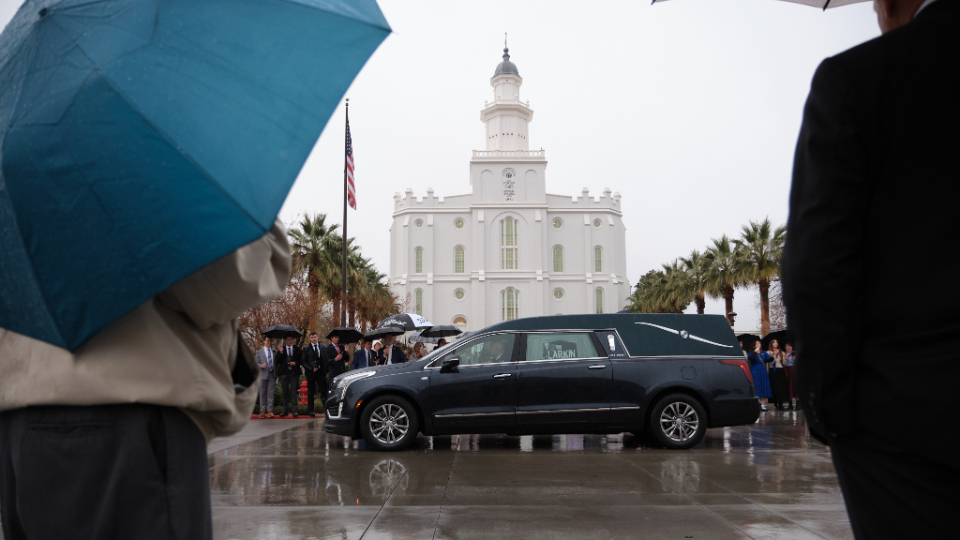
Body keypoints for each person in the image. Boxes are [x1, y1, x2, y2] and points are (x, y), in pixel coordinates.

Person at [782, 1, 960, 537]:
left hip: (907, 425)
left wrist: (830, 410)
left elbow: (820, 264)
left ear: (888, 4)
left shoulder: (860, 78)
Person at [0, 221, 290, 540]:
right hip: (135, 420)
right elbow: (227, 281)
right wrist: (264, 228)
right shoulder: (142, 189)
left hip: (21, 419)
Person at [302, 331, 328, 417]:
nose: (314, 339)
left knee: (323, 391)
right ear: (310, 338)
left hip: (321, 372)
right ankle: (311, 410)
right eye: (312, 337)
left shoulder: (323, 347)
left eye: (315, 337)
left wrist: (326, 370)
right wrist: (310, 368)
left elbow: (326, 359)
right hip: (311, 373)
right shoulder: (306, 348)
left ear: (318, 337)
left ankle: (326, 409)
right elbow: (303, 361)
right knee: (311, 392)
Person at [276, 336, 302, 418]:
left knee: (294, 392)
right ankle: (285, 410)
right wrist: (280, 353)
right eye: (289, 340)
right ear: (285, 341)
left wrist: (295, 363)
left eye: (291, 340)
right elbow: (277, 361)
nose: (290, 341)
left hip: (294, 373)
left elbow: (301, 360)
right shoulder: (282, 349)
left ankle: (294, 410)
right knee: (285, 392)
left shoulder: (297, 349)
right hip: (284, 374)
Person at [256, 336, 278, 418]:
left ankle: (270, 411)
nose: (269, 342)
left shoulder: (275, 352)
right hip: (263, 375)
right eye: (268, 341)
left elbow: (278, 362)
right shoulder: (259, 352)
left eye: (270, 341)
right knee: (262, 393)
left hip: (272, 374)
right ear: (264, 341)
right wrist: (261, 365)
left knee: (271, 393)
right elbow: (255, 362)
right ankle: (262, 411)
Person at [747, 341, 772, 411]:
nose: (758, 345)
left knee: (762, 387)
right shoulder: (751, 352)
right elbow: (750, 359)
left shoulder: (763, 352)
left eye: (759, 343)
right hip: (755, 371)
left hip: (763, 371)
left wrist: (772, 355)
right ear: (754, 346)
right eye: (757, 344)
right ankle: (756, 404)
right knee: (756, 387)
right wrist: (755, 352)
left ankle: (763, 405)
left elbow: (769, 360)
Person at [767, 339, 790, 411]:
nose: (776, 343)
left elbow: (784, 363)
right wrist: (774, 355)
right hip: (773, 371)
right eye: (774, 342)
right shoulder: (768, 352)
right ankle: (775, 404)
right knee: (774, 387)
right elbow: (770, 362)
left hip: (780, 371)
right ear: (771, 344)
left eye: (777, 342)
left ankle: (781, 404)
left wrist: (786, 359)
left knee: (781, 387)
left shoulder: (781, 352)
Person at [783, 342, 796, 409]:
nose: (789, 347)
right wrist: (785, 360)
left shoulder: (795, 354)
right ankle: (790, 404)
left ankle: (797, 404)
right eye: (787, 346)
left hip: (794, 371)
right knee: (788, 387)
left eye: (790, 346)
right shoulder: (783, 354)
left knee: (795, 386)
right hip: (786, 372)